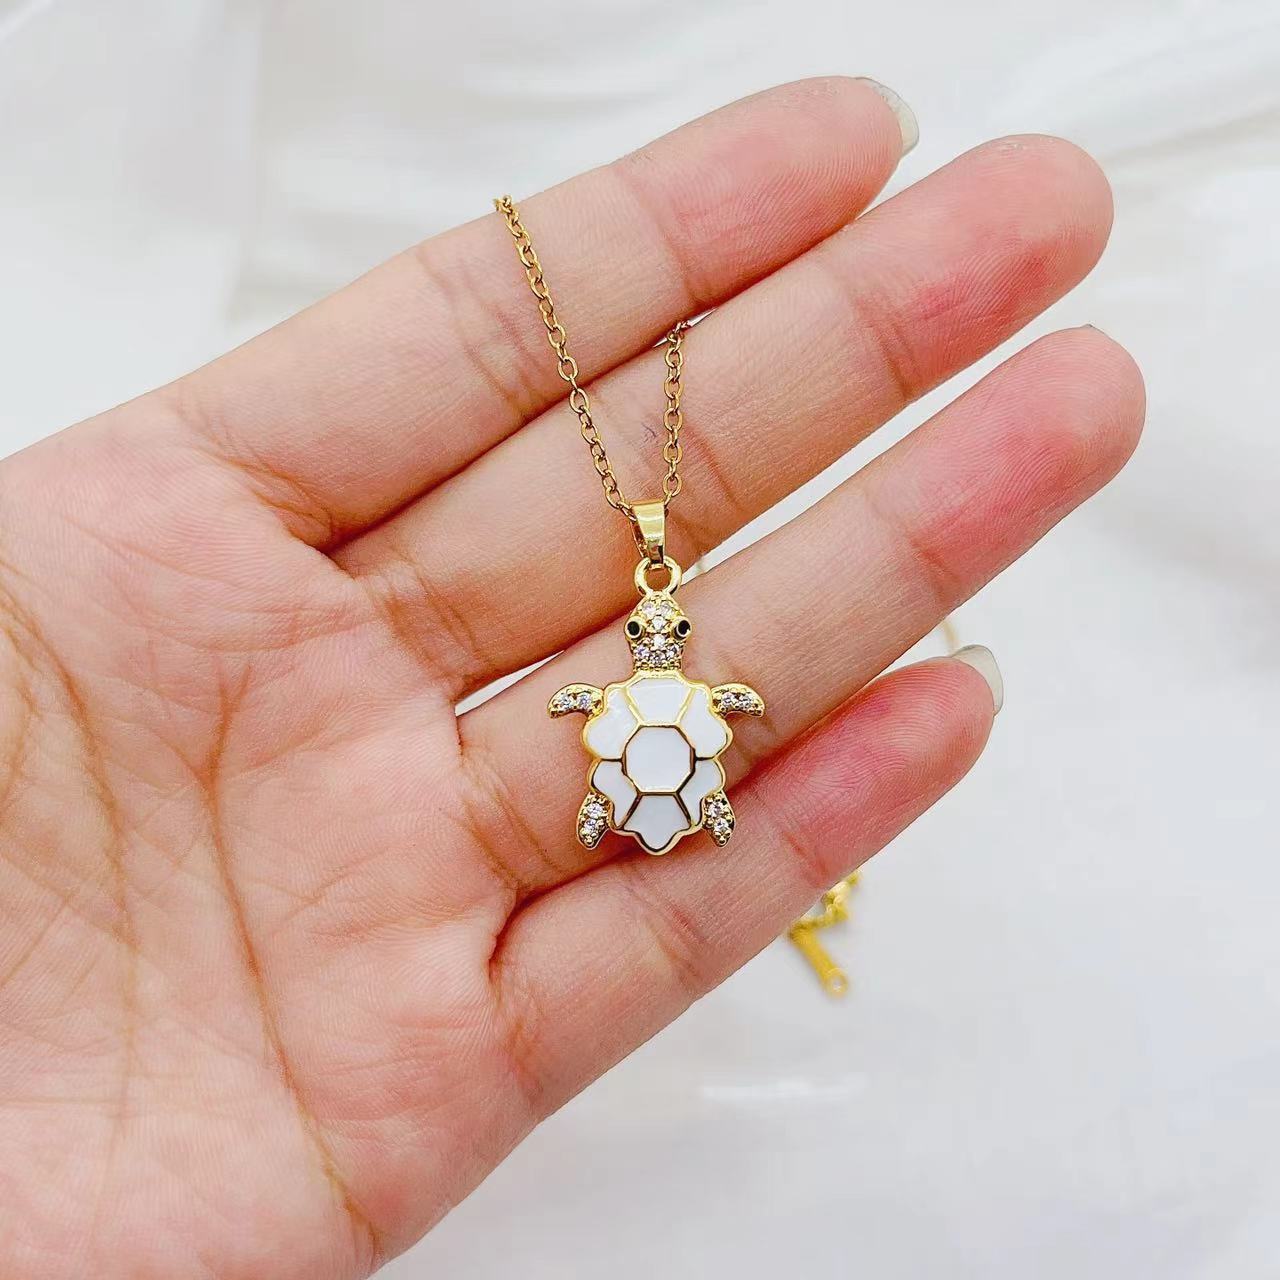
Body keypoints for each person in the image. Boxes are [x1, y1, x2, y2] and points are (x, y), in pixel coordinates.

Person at [0, 78, 1142, 1278]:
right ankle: (640, 806)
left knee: (670, 777)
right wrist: (612, 709)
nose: (651, 640)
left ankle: (647, 805)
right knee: (652, 782)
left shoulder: (658, 681)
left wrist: (656, 707)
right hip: (649, 766)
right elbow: (629, 704)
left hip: (654, 763)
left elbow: (679, 703)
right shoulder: (647, 685)